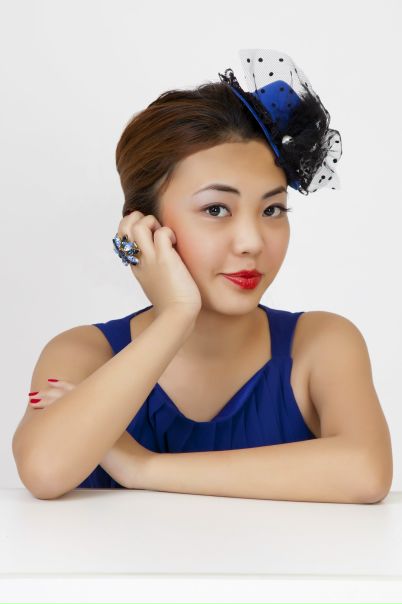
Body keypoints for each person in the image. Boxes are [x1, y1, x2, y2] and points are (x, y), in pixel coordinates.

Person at [12, 49, 392, 500]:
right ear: (144, 226)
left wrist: (142, 466)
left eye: (272, 209)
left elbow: (367, 473)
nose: (251, 242)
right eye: (216, 209)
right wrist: (176, 314)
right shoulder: (84, 353)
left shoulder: (320, 344)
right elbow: (44, 471)